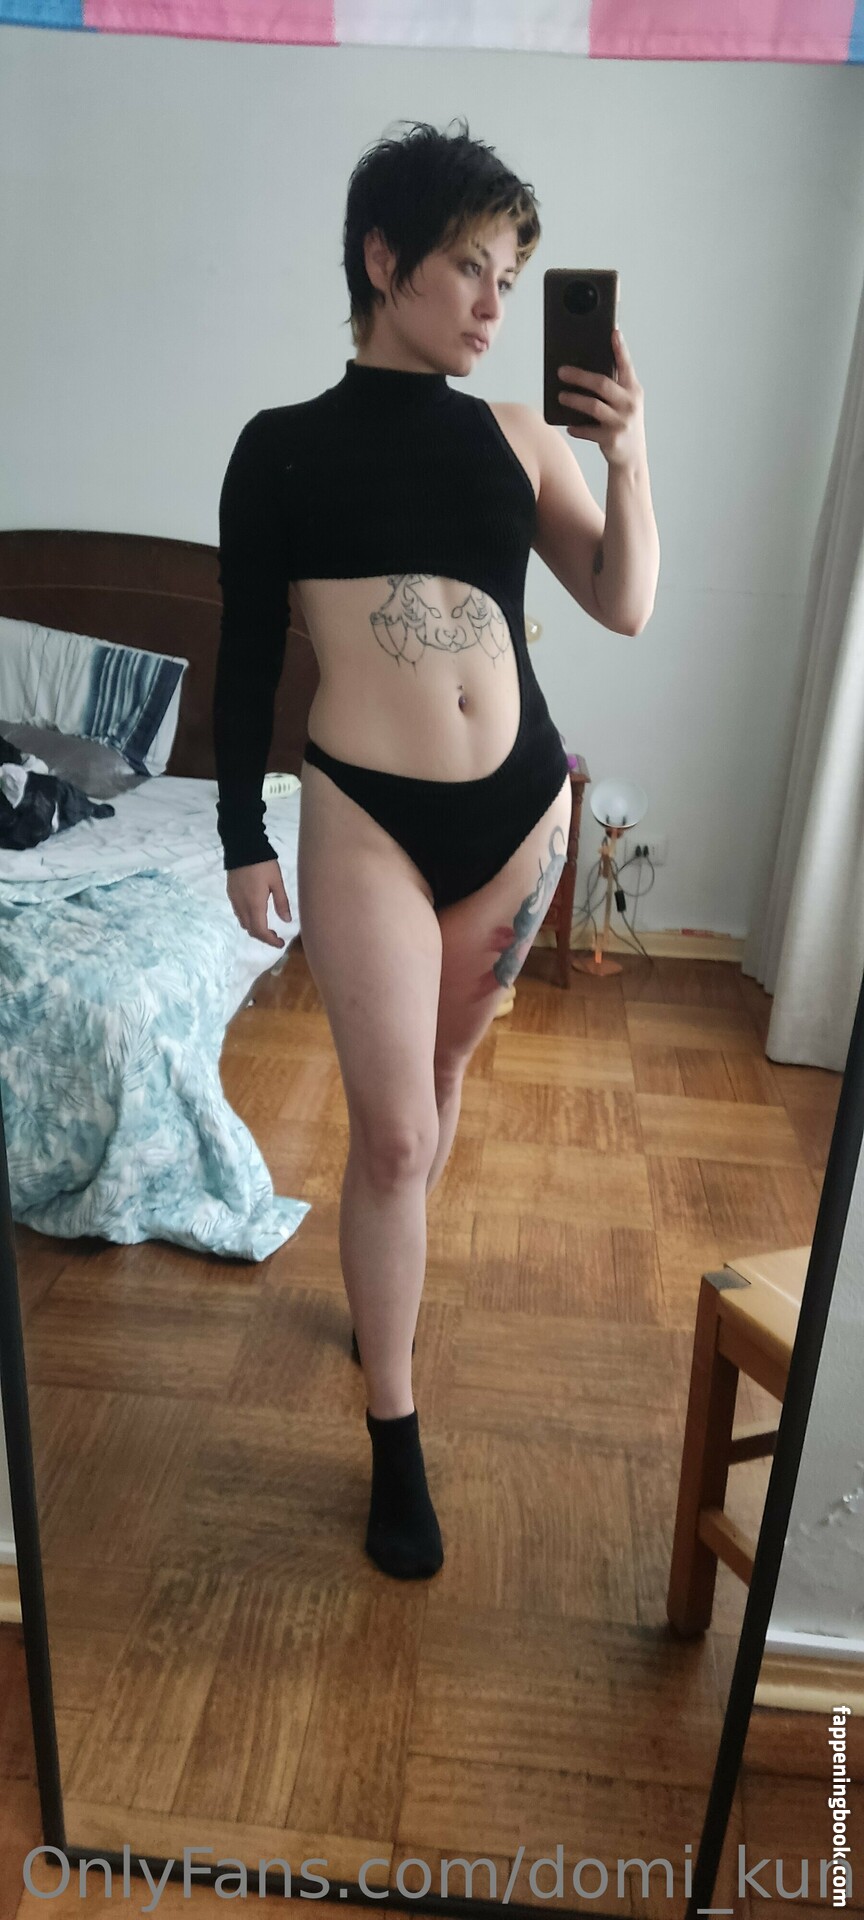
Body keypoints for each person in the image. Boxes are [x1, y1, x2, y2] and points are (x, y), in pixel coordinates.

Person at [213, 118, 579, 1584]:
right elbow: (248, 655)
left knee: (441, 1081)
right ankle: (395, 1426)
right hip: (366, 815)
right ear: (384, 259)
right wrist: (239, 832)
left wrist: (631, 451)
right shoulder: (280, 448)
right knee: (396, 1137)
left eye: (510, 277)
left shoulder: (514, 436)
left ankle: (385, 1298)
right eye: (471, 268)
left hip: (523, 816)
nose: (495, 304)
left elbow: (626, 597)